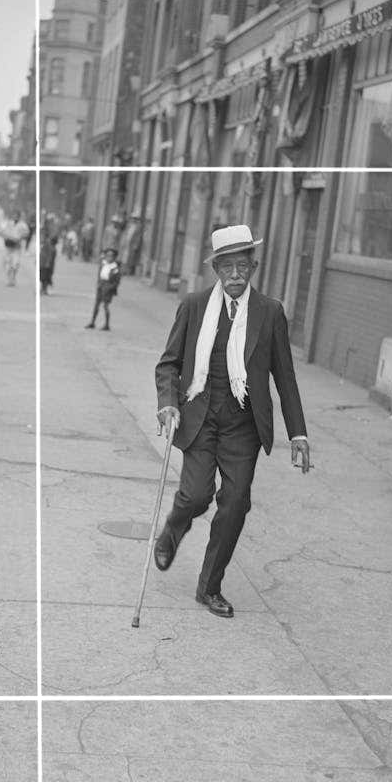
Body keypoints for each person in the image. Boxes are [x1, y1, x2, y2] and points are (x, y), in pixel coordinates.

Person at [153, 224, 310, 620]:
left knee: (235, 504)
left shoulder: (270, 312)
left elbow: (285, 376)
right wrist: (168, 403)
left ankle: (209, 587)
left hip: (243, 426)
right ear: (217, 270)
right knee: (195, 497)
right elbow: (168, 364)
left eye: (243, 266)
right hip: (200, 416)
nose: (236, 274)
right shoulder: (193, 306)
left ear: (253, 267)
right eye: (228, 267)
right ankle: (174, 528)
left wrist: (299, 433)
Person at [85, 246, 120, 331]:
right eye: (107, 255)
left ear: (114, 257)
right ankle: (92, 322)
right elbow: (100, 274)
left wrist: (110, 288)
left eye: (111, 256)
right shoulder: (103, 264)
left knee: (105, 306)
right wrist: (99, 283)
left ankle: (107, 324)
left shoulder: (115, 268)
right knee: (96, 305)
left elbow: (116, 282)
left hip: (108, 288)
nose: (109, 258)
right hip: (101, 286)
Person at [0, 210, 28, 286]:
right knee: (7, 263)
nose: (15, 217)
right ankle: (10, 279)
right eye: (14, 215)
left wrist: (20, 237)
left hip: (17, 247)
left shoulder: (23, 225)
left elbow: (26, 234)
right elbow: (2, 232)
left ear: (19, 216)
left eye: (16, 215)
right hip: (8, 247)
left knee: (16, 263)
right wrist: (5, 236)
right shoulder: (9, 223)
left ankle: (13, 277)